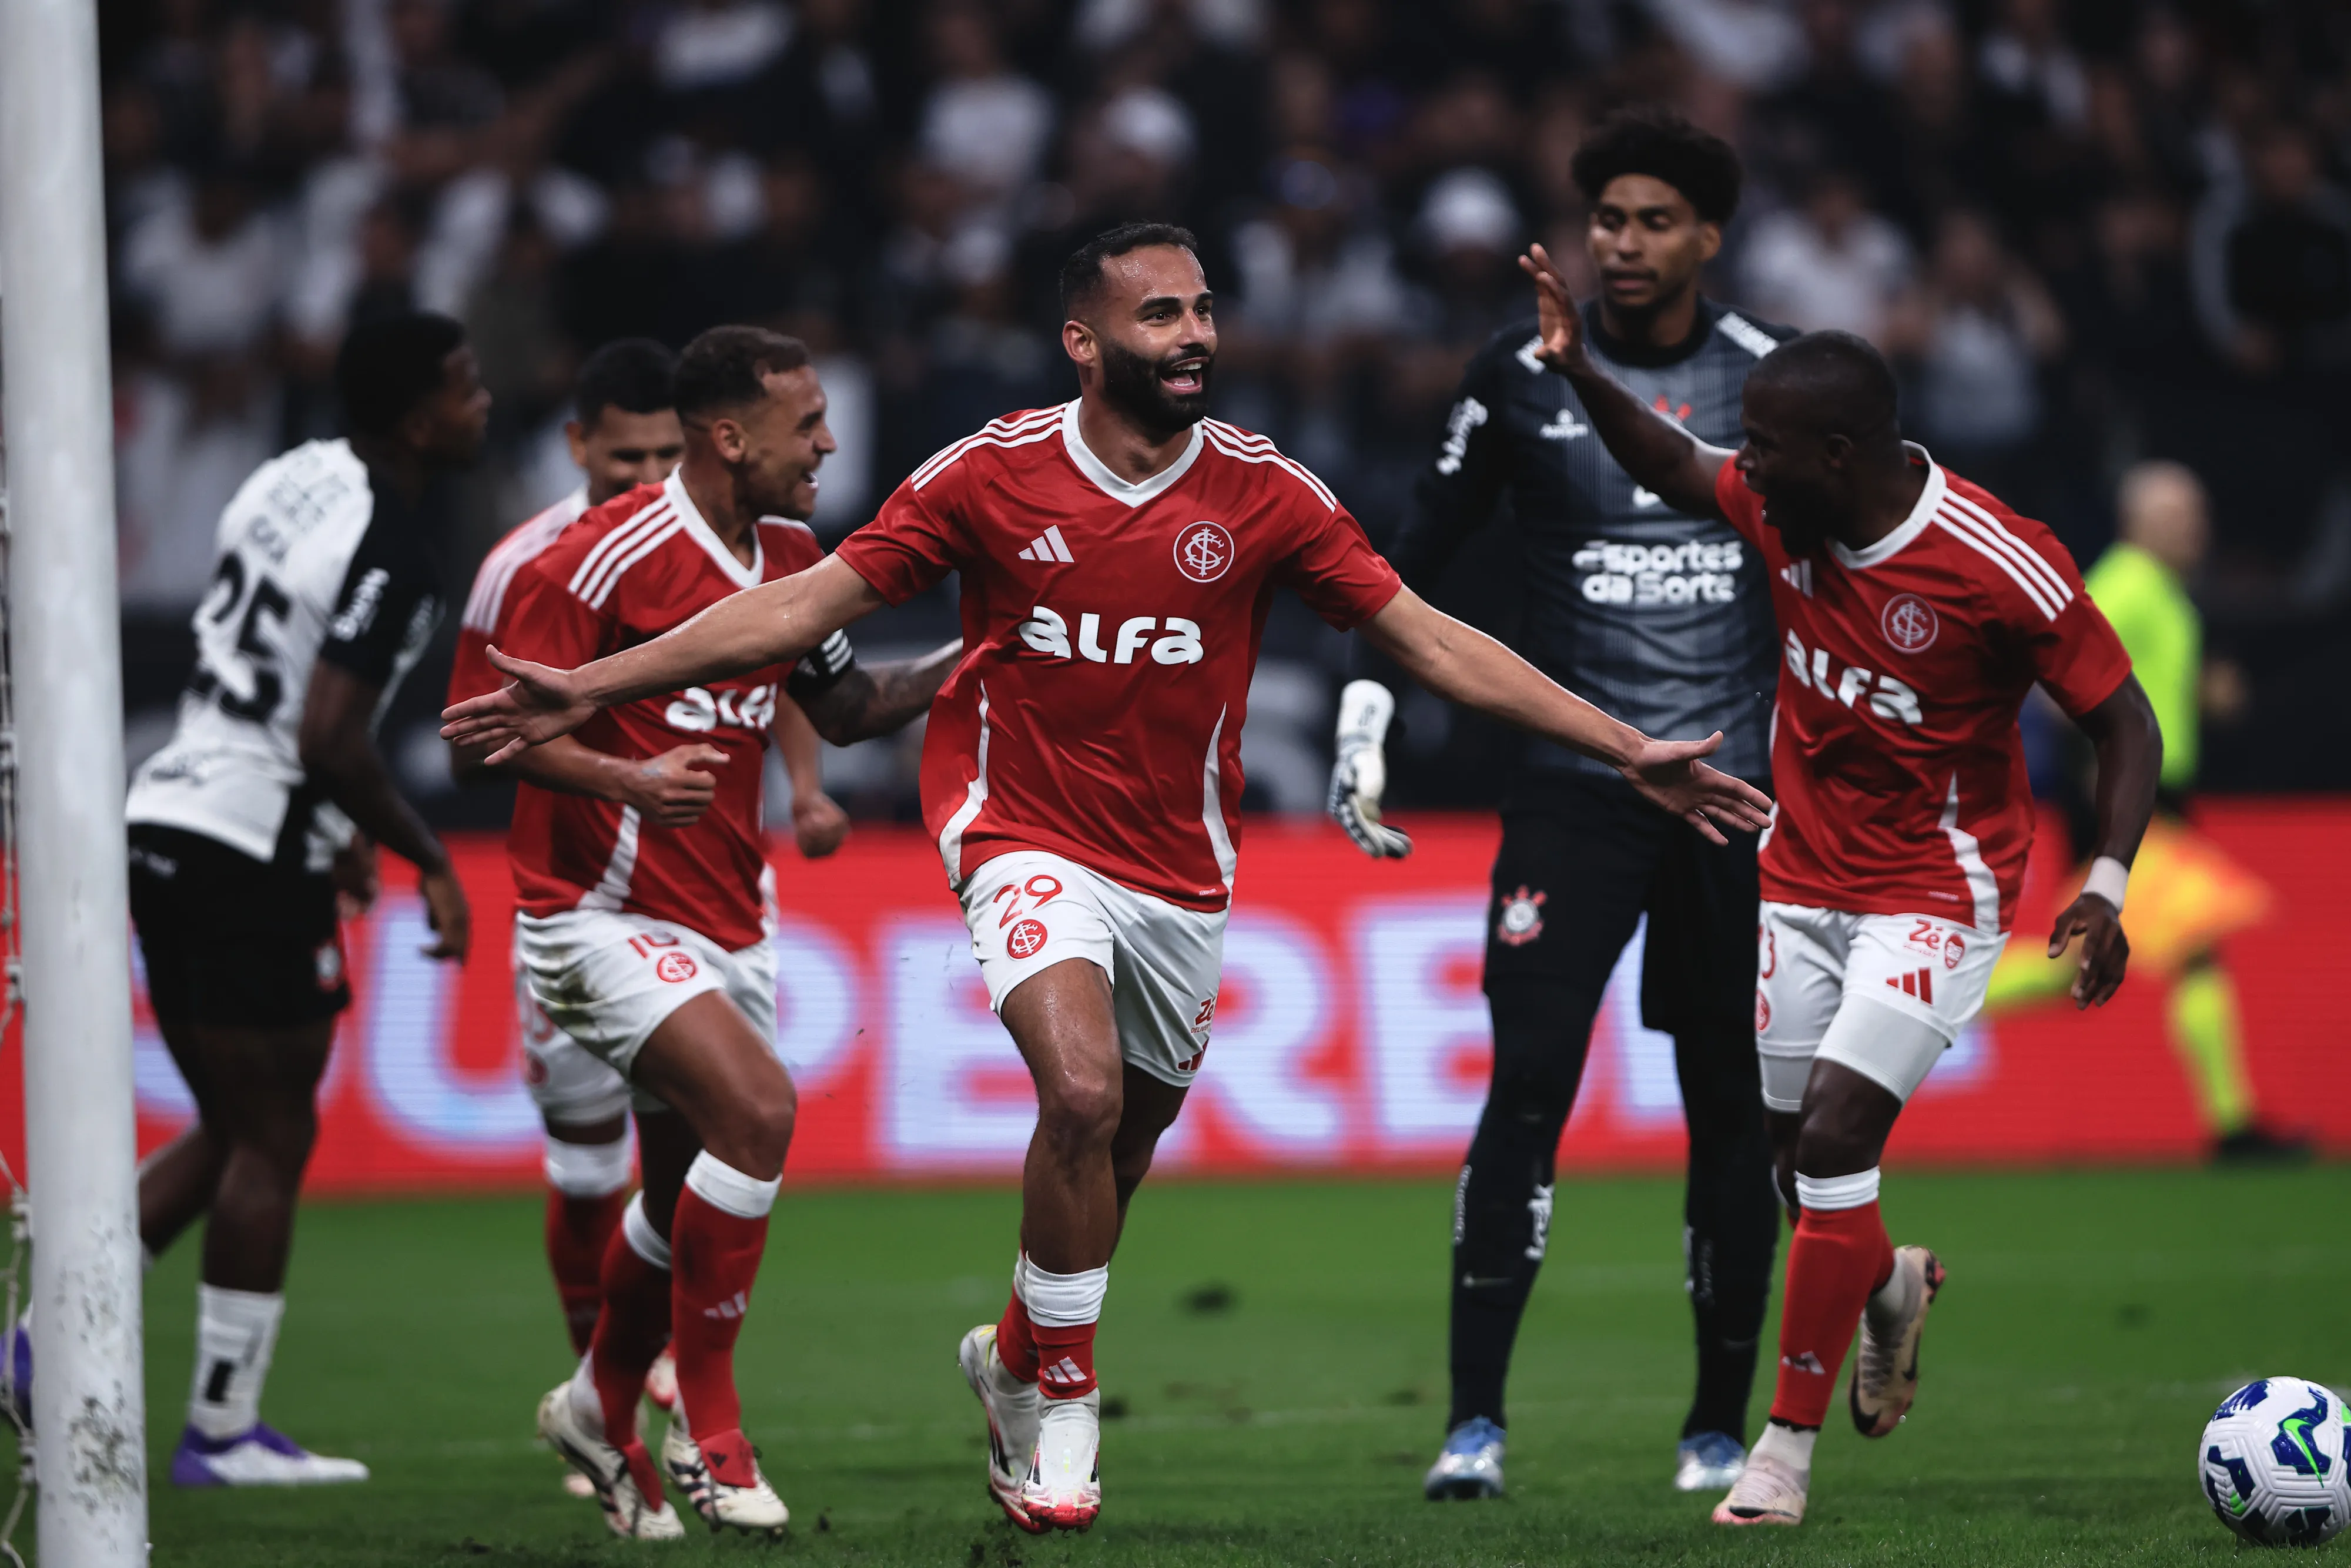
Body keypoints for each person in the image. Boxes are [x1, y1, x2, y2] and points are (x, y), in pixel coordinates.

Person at [442, 222, 1776, 1536]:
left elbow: (1426, 639)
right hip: (1013, 830)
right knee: (1073, 1092)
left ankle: (1017, 1351)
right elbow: (803, 613)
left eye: (1200, 310)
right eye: (1160, 316)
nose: (1193, 334)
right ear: (1084, 343)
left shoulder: (1268, 491)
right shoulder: (986, 476)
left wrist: (1622, 748)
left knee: (1117, 1150)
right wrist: (599, 683)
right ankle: (1061, 1393)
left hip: (1181, 870)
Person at [1512, 243, 2161, 1527]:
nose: (1739, 468)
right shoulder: (1781, 500)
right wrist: (1580, 371)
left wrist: (2104, 881)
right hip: (1798, 876)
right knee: (1790, 1166)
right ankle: (1886, 1290)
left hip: (1938, 885)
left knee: (1832, 1139)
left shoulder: (1997, 561)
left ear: (1843, 452)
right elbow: (1668, 462)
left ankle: (1782, 1451)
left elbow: (2122, 719)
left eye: (1762, 446)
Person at [1331, 108, 1790, 1502]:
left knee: (1730, 1102)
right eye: (1607, 220)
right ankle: (1472, 1421)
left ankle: (1717, 1425)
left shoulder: (1774, 387)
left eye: (1654, 221)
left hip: (1733, 800)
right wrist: (1369, 710)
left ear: (1707, 237)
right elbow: (1401, 563)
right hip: (1571, 794)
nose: (1624, 243)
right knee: (1527, 1081)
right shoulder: (1512, 379)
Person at [456, 324, 956, 1539]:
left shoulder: (790, 550)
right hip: (591, 913)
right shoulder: (588, 558)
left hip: (729, 913)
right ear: (730, 436)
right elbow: (477, 731)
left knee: (685, 1190)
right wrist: (623, 783)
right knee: (760, 1112)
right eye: (808, 425)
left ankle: (595, 1399)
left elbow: (840, 705)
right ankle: (711, 1427)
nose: (829, 443)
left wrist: (981, 651)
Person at [119, 312, 488, 1483]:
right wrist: (424, 853)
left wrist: (331, 829)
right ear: (416, 414)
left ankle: (40, 1347)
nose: (483, 404)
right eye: (465, 386)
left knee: (235, 1124)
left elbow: (268, 674)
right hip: (248, 838)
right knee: (274, 1132)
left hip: (172, 804)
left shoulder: (287, 478)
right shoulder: (399, 541)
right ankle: (222, 1430)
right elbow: (329, 734)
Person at [1984, 461, 2303, 1162]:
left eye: (2197, 514)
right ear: (2139, 521)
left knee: (2085, 961)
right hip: (2135, 808)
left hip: (2160, 803)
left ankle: (1926, 996)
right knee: (2186, 946)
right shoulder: (2123, 584)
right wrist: (2106, 779)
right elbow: (2055, 683)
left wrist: (2201, 696)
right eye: (2180, 515)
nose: (2197, 528)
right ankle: (2234, 1127)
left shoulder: (2161, 592)